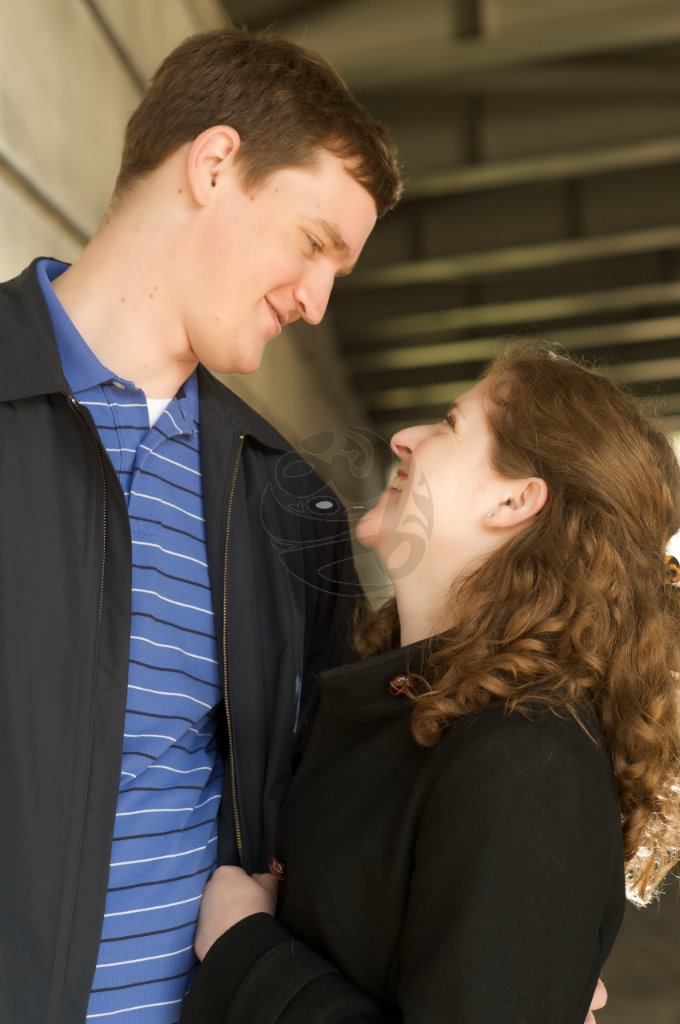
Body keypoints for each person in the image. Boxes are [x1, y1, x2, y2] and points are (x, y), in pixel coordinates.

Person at [0, 27, 402, 1024]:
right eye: (314, 243)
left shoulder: (290, 505)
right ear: (214, 164)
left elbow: (346, 808)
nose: (316, 303)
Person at [182, 343, 680, 1024]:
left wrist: (246, 952)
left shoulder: (528, 760)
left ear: (514, 499)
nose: (404, 438)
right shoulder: (416, 708)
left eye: (450, 424)